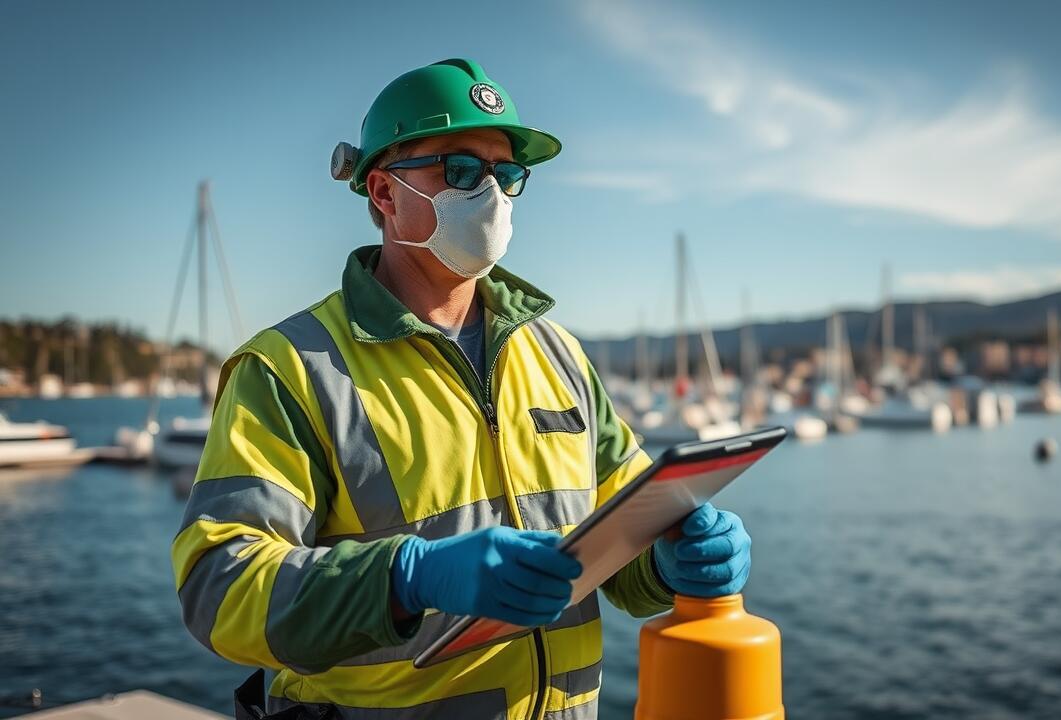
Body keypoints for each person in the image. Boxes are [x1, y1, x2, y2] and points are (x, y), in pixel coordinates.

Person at [172, 58, 753, 720]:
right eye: (461, 170)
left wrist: (670, 561)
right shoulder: (290, 369)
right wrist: (404, 579)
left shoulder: (559, 355)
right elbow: (219, 590)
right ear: (384, 195)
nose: (494, 196)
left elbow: (621, 546)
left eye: (507, 175)